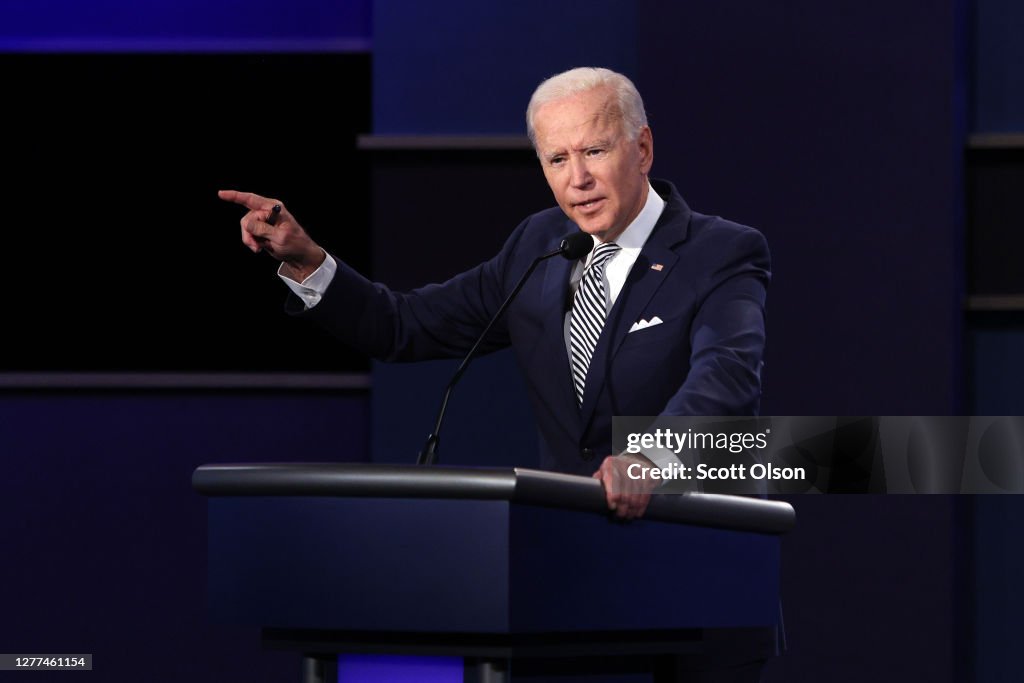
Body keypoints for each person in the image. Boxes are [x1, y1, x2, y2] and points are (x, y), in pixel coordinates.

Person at [218, 66, 769, 522]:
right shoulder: (538, 244)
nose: (577, 178)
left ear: (642, 148)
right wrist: (307, 259)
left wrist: (652, 459)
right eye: (557, 159)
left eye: (595, 151)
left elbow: (726, 376)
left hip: (697, 554)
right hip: (574, 569)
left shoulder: (720, 251)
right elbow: (403, 325)